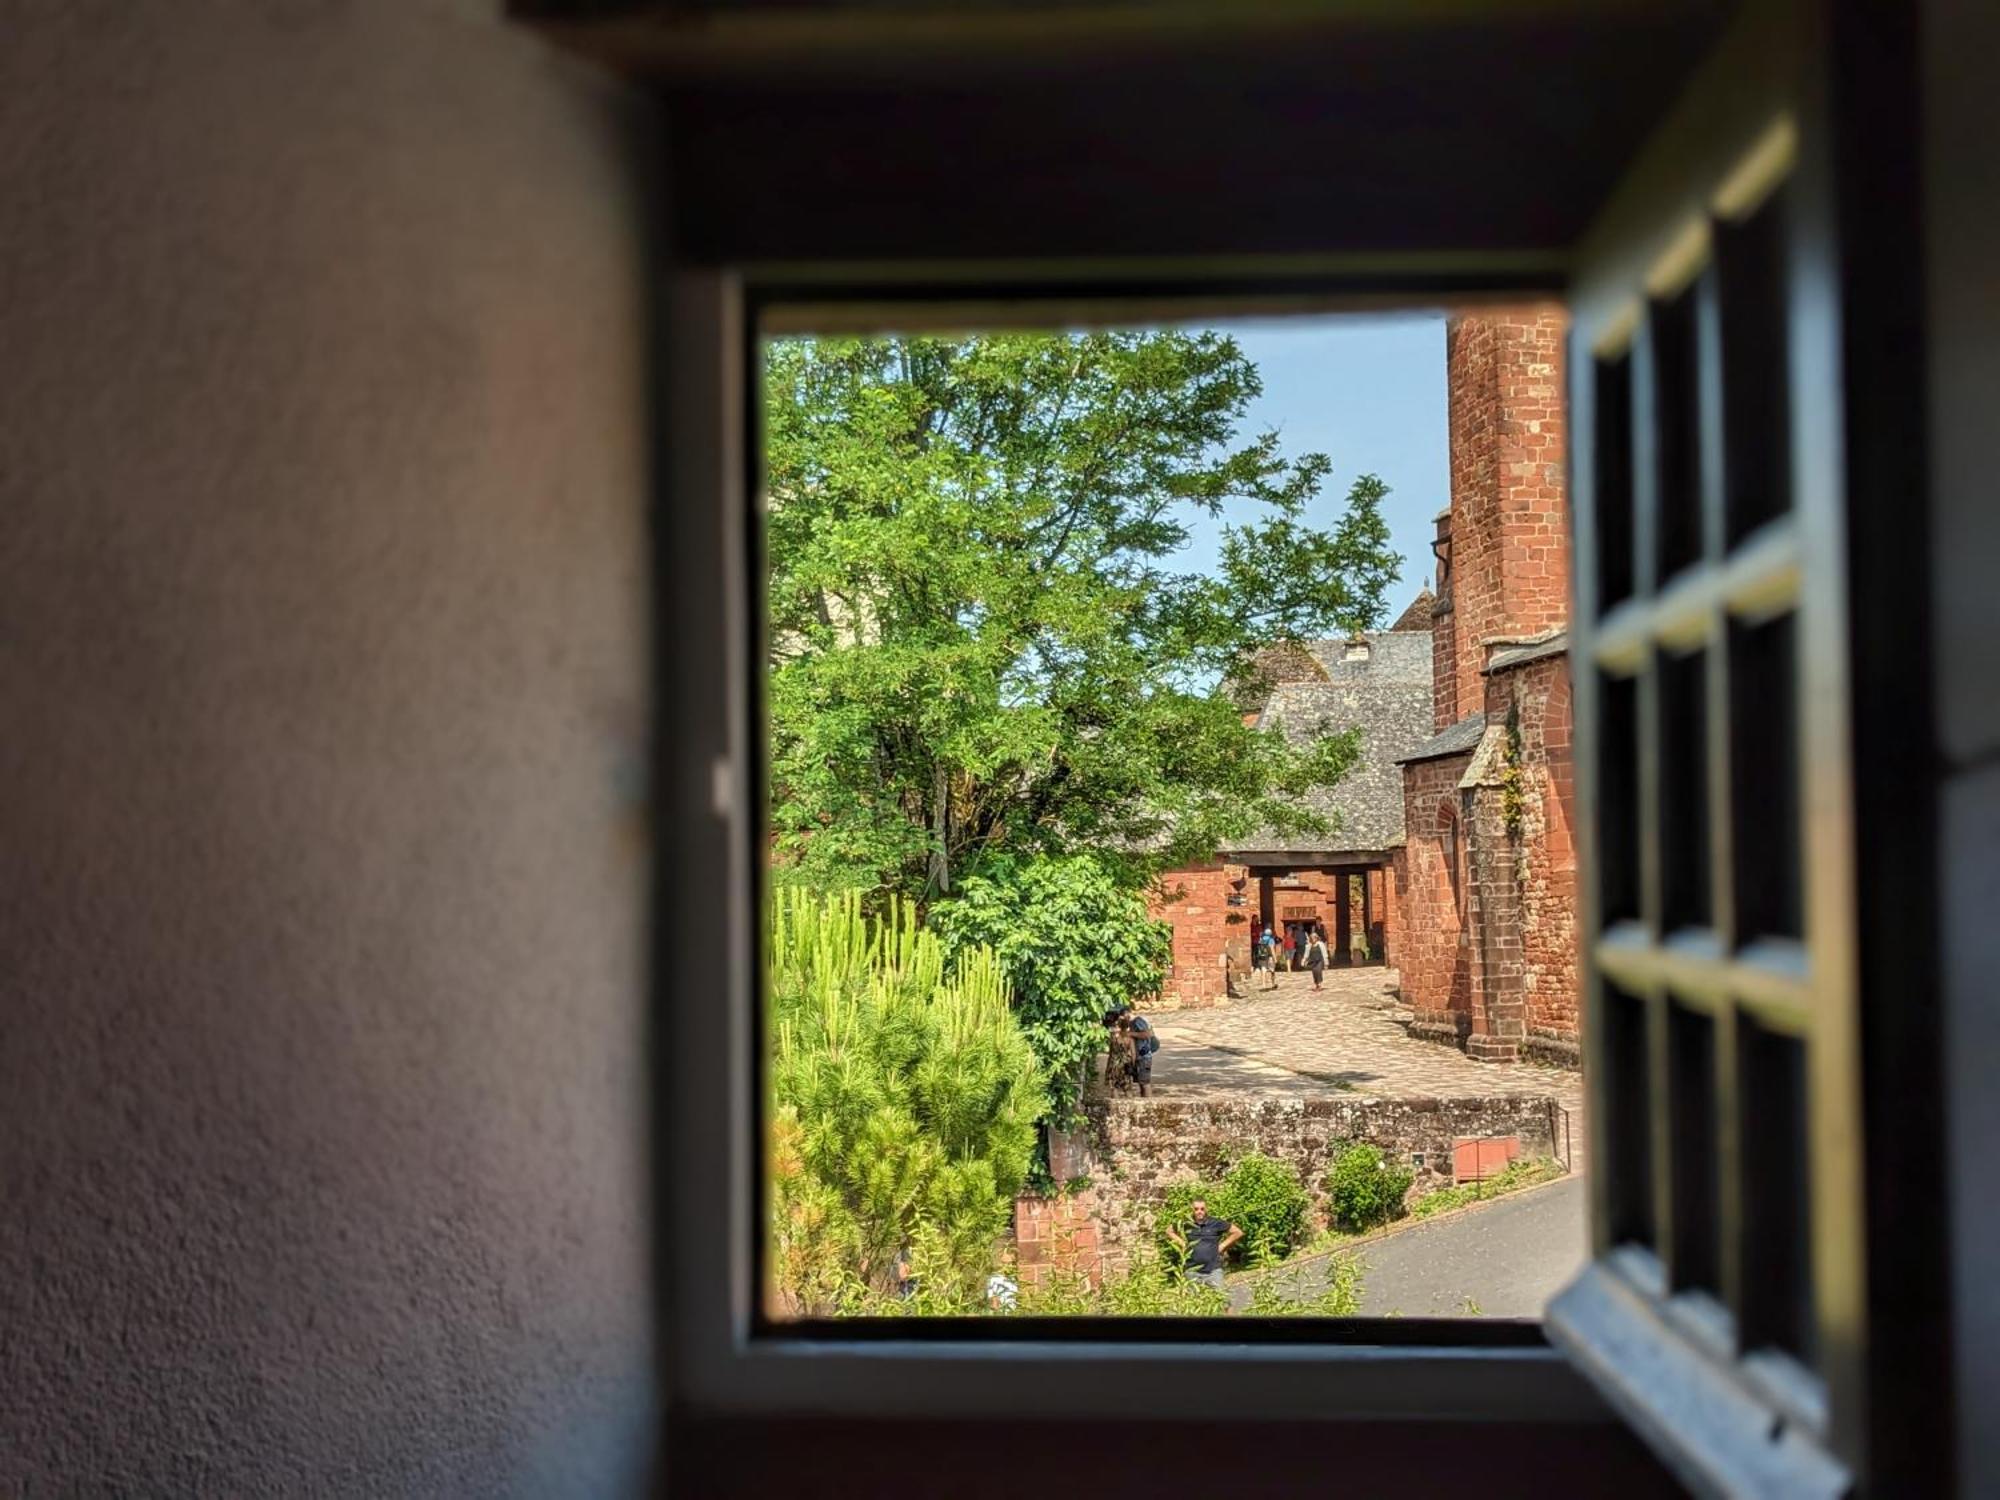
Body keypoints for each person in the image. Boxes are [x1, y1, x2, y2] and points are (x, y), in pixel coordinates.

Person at [1166, 1197, 1242, 1290]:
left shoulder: (1215, 1223)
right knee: (1193, 1302)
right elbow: (1169, 1231)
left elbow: (1237, 1232)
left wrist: (1222, 1246)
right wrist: (1182, 1244)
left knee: (1221, 1298)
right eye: (1196, 1209)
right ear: (1192, 1209)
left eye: (1202, 1209)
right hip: (1192, 1270)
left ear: (1206, 1209)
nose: (1199, 1211)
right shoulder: (1186, 1223)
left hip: (1213, 1270)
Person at [1305, 926, 1329, 992]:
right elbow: (1306, 953)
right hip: (1312, 961)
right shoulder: (1309, 945)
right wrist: (1304, 960)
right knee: (1314, 972)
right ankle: (1316, 984)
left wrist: (1326, 963)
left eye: (1314, 937)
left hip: (1319, 960)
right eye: (1312, 938)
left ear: (1316, 938)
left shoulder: (1320, 944)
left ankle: (1320, 984)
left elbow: (1324, 953)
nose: (1313, 939)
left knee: (1318, 971)